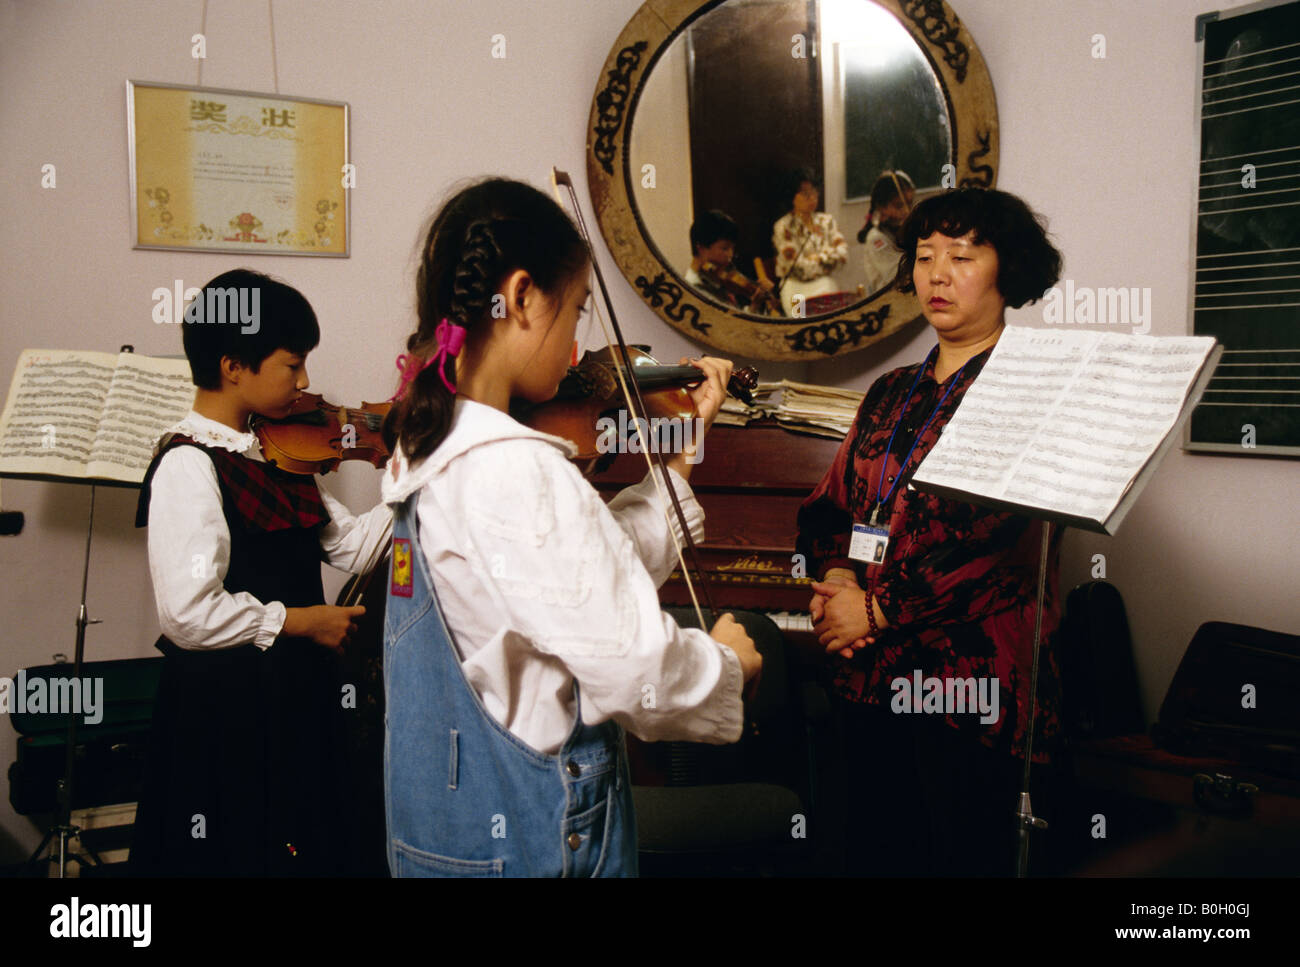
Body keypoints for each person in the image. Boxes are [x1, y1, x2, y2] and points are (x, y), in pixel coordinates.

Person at [379, 177, 762, 877]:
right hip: (533, 841)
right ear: (522, 296)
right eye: (579, 309)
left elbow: (575, 579)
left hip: (448, 837)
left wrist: (677, 463)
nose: (580, 347)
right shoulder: (513, 468)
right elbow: (635, 667)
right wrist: (728, 666)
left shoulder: (428, 442)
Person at [796, 187, 1064, 876]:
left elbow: (1000, 546)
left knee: (958, 858)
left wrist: (880, 608)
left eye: (961, 255)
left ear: (1009, 271)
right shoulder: (889, 390)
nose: (936, 273)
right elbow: (831, 507)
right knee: (870, 852)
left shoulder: (1027, 391)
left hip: (966, 684)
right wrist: (837, 577)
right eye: (923, 256)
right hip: (865, 673)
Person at [130, 269, 392, 877]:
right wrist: (301, 622)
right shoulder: (187, 466)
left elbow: (353, 547)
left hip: (294, 694)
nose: (304, 383)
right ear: (233, 366)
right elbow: (188, 614)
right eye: (291, 365)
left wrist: (418, 479)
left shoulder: (275, 451)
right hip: (229, 710)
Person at [771, 169, 848, 316]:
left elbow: (843, 256)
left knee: (832, 320)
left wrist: (818, 258)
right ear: (792, 197)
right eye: (806, 194)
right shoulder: (783, 226)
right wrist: (827, 258)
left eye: (815, 192)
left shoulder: (827, 221)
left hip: (824, 283)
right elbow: (799, 269)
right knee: (800, 322)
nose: (812, 198)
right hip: (795, 287)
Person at [685, 209, 778, 315]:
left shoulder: (718, 278)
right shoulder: (695, 289)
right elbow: (728, 326)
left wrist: (759, 303)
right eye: (725, 248)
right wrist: (754, 307)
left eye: (732, 248)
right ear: (701, 248)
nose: (730, 255)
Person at [858, 169, 915, 293]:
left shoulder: (900, 230)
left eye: (909, 204)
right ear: (881, 208)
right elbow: (897, 275)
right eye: (899, 206)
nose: (906, 211)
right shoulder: (876, 238)